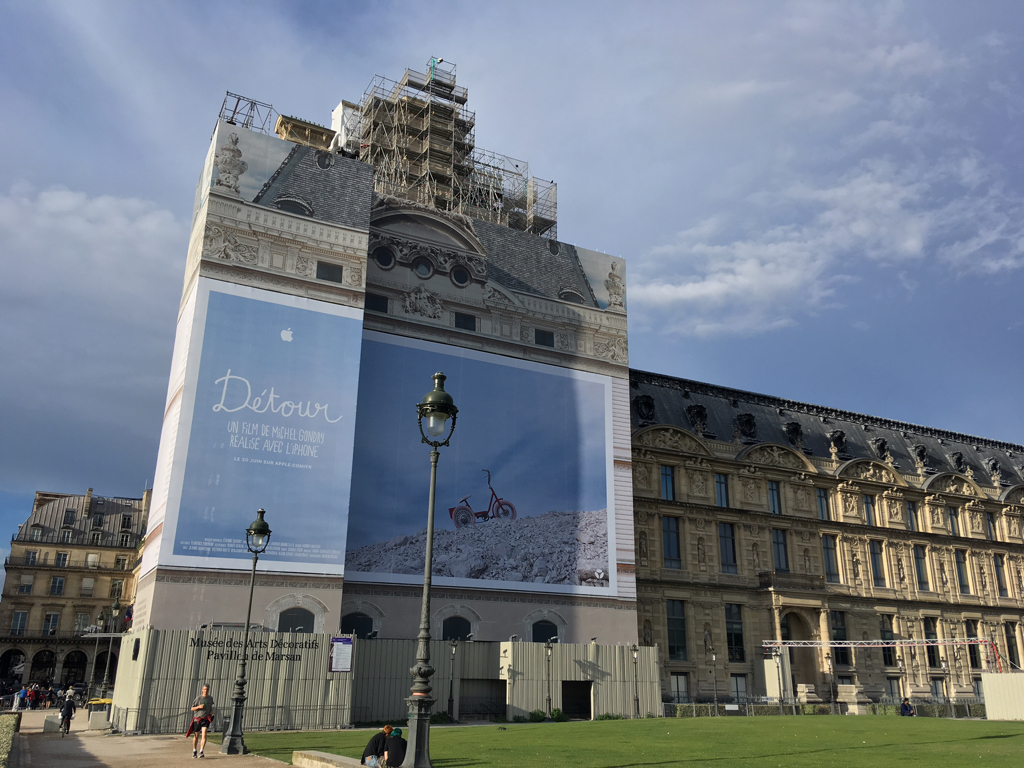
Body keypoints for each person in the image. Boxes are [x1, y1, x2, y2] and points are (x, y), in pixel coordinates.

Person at [186, 684, 215, 758]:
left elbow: (210, 706)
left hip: (205, 719)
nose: (206, 691)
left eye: (207, 689)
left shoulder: (210, 698)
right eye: (204, 689)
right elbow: (192, 708)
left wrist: (211, 712)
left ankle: (201, 751)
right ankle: (194, 750)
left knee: (204, 733)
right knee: (196, 735)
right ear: (202, 690)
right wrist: (199, 707)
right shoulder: (198, 698)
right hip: (198, 719)